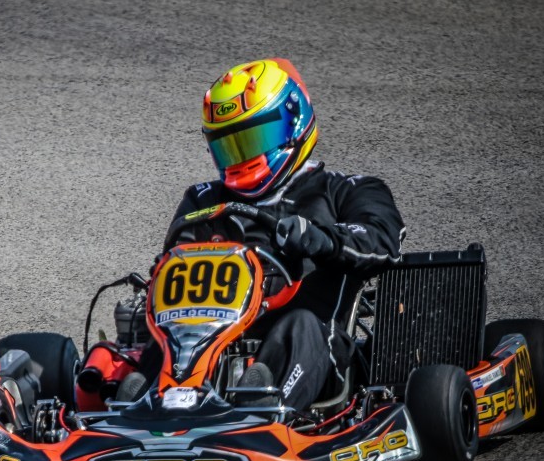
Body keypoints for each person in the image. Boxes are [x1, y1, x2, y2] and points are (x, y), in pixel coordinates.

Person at [129, 58, 405, 413]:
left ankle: (261, 410)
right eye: (230, 146)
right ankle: (135, 406)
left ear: (292, 122)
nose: (242, 156)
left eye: (253, 139)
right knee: (149, 342)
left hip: (315, 352)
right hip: (207, 346)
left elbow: (384, 241)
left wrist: (323, 239)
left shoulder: (349, 190)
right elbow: (175, 265)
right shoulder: (202, 200)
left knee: (301, 326)